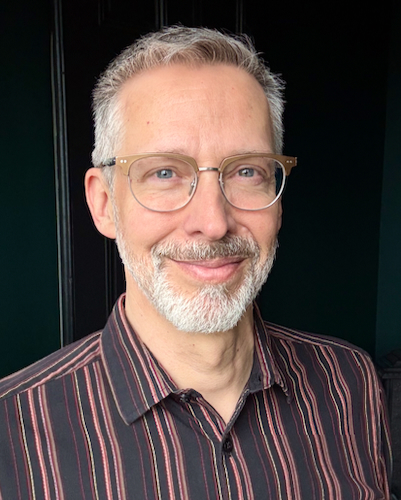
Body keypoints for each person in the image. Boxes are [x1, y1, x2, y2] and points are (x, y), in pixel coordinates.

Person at [0, 26, 391, 499]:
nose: (213, 223)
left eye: (246, 171)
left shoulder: (350, 383)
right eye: (164, 172)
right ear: (104, 204)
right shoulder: (13, 432)